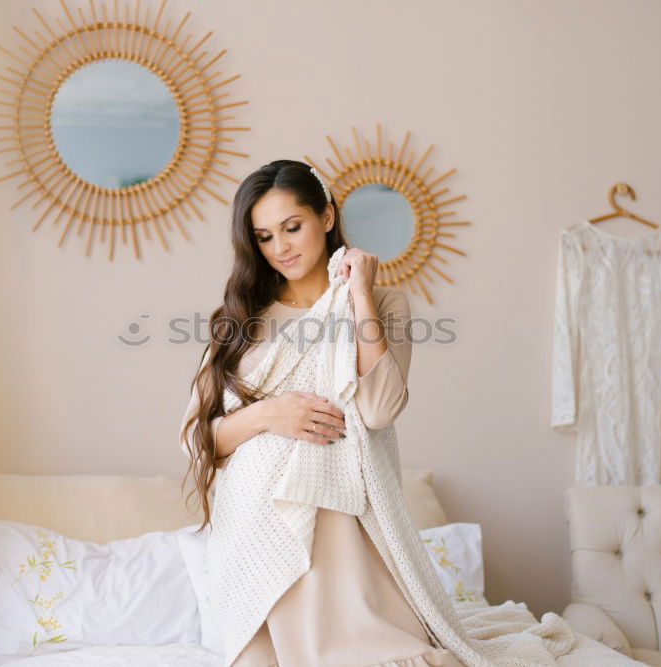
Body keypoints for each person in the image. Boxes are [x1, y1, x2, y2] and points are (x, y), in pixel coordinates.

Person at [179, 159, 465, 666]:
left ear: (327, 217)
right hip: (259, 529)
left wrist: (357, 294)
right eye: (264, 237)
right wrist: (270, 414)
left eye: (292, 228)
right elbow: (198, 439)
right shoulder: (240, 318)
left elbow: (379, 410)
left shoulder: (382, 303)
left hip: (345, 534)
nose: (281, 248)